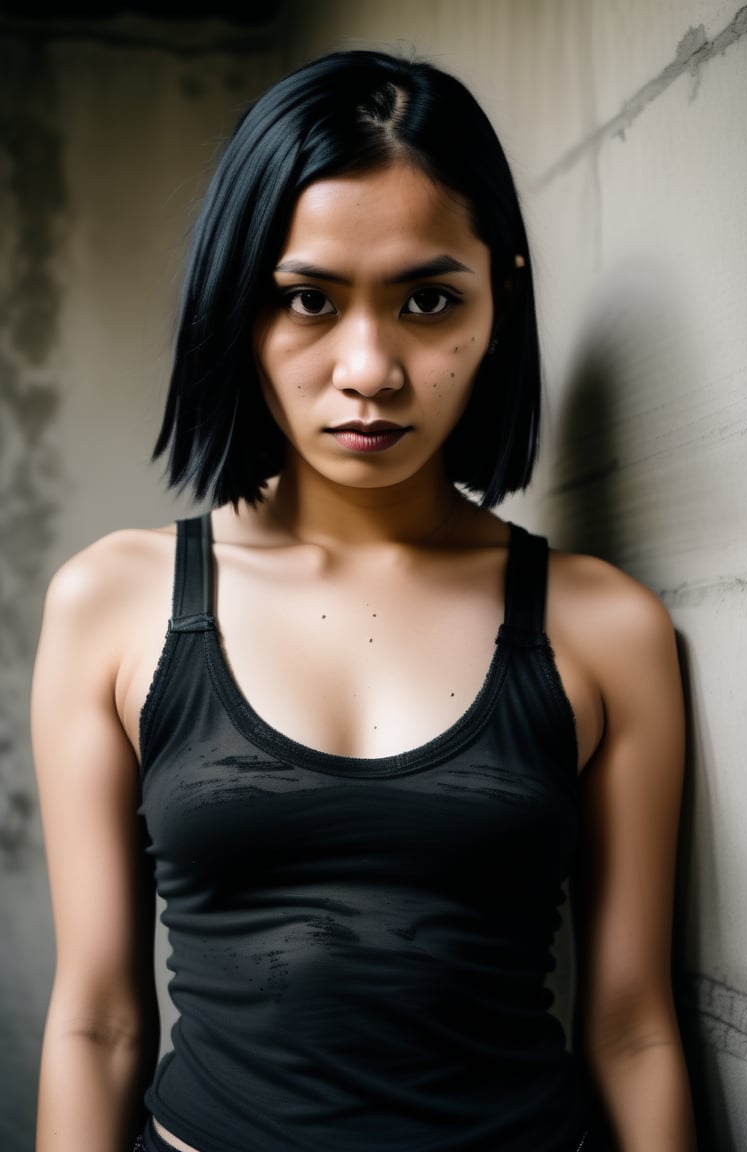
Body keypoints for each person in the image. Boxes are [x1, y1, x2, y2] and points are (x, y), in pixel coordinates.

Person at [32, 48, 697, 1152]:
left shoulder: (605, 627)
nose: (371, 368)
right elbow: (96, 1023)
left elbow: (632, 1031)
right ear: (236, 312)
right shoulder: (113, 603)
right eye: (306, 301)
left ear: (503, 298)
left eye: (429, 299)